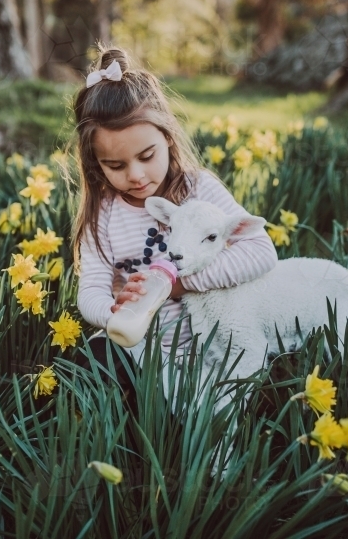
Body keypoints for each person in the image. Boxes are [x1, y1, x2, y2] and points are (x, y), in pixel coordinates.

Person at [66, 44, 278, 414]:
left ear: (167, 137)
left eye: (146, 157)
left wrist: (180, 285)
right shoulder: (102, 215)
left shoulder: (199, 190)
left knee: (208, 399)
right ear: (96, 164)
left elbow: (261, 253)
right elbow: (91, 293)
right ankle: (139, 413)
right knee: (87, 371)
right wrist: (116, 308)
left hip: (210, 339)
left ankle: (182, 407)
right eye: (115, 165)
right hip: (140, 342)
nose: (135, 175)